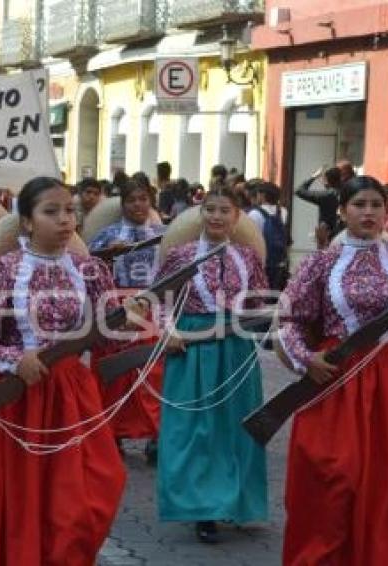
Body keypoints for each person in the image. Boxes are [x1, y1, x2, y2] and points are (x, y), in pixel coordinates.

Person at [0, 176, 132, 566]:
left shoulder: (91, 270)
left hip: (72, 395)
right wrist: (13, 359)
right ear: (27, 222)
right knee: (21, 501)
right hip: (14, 397)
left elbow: (104, 336)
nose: (65, 220)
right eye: (52, 212)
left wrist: (132, 321)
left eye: (70, 211)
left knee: (92, 493)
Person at [278, 175, 388, 564]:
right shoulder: (321, 263)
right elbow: (290, 319)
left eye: (376, 205)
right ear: (342, 210)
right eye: (360, 204)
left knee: (382, 484)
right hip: (337, 382)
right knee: (334, 479)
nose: (369, 212)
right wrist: (305, 357)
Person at [157, 186, 269, 543]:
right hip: (193, 347)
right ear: (200, 213)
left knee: (238, 423)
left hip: (236, 348)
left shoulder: (248, 257)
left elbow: (259, 301)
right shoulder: (181, 255)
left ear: (237, 216)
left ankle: (235, 502)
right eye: (211, 209)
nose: (217, 217)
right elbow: (156, 300)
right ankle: (201, 509)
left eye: (225, 210)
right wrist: (168, 331)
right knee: (195, 427)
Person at [88, 180, 168, 463]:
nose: (138, 205)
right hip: (116, 307)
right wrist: (110, 252)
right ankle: (112, 432)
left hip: (152, 306)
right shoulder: (106, 235)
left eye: (143, 199)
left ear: (151, 202)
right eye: (132, 200)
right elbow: (88, 265)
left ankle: (157, 435)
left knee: (153, 371)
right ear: (123, 204)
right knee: (114, 374)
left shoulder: (164, 234)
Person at [247, 182, 289, 289]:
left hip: (261, 260)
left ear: (262, 195)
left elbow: (251, 239)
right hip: (279, 260)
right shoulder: (283, 212)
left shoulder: (254, 214)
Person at [295, 167, 341, 241]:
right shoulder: (347, 192)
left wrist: (314, 176)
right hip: (342, 235)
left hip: (327, 236)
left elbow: (299, 191)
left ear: (326, 181)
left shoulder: (326, 196)